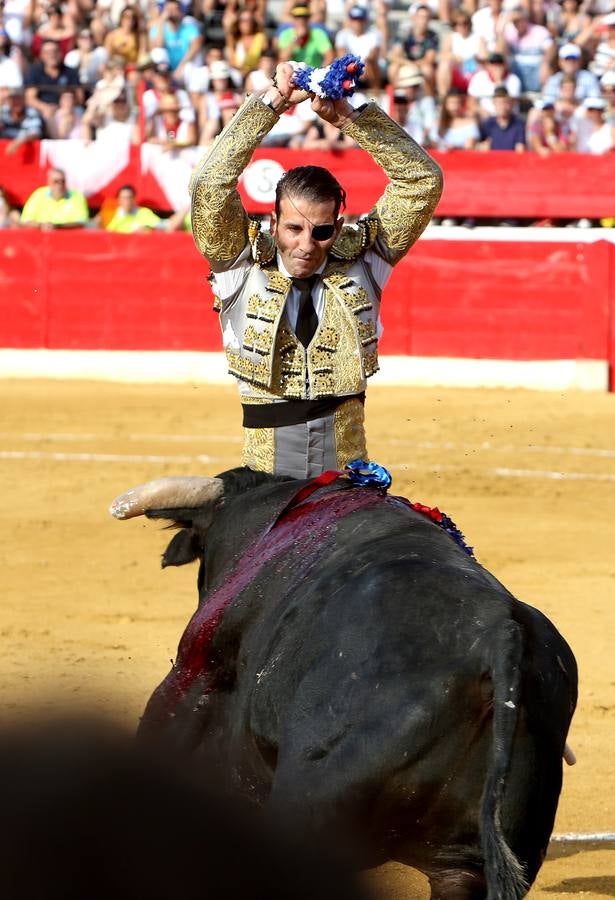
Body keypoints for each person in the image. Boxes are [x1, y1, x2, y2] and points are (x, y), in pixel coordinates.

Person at [189, 62, 442, 478]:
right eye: (293, 229)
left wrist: (351, 117)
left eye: (322, 232)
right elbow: (208, 186)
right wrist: (271, 103)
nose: (306, 246)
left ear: (338, 226)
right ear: (274, 223)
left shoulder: (364, 260)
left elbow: (421, 180)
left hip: (347, 482)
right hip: (265, 483)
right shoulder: (241, 262)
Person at [20, 166, 89, 228]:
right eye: (56, 181)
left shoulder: (76, 196)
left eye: (63, 181)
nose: (60, 185)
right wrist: (41, 225)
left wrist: (57, 227)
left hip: (69, 239)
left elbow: (82, 222)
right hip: (41, 239)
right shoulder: (39, 194)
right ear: (49, 182)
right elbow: (25, 220)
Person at [275, 4, 334, 70]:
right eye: (297, 17)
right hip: (293, 74)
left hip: (314, 74)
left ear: (309, 19)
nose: (301, 21)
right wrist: (296, 38)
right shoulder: (286, 34)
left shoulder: (318, 33)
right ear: (293, 19)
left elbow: (329, 56)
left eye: (304, 17)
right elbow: (283, 58)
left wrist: (321, 72)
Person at [478, 84, 526, 150]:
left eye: (505, 102)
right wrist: (481, 146)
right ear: (494, 103)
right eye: (499, 103)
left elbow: (521, 147)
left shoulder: (518, 124)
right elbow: (479, 145)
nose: (502, 107)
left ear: (511, 104)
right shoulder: (488, 124)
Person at [0, 86, 43, 153]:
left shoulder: (31, 112)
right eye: (13, 99)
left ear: (24, 100)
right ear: (8, 101)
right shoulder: (3, 112)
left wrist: (18, 142)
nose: (16, 102)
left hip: (27, 154)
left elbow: (35, 133)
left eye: (19, 98)